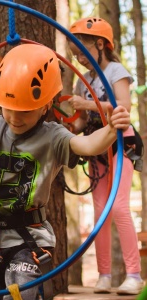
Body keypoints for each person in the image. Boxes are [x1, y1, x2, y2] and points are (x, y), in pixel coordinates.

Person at [0, 43, 130, 300]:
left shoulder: (53, 136)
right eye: (8, 107)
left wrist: (110, 129)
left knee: (19, 295)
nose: (15, 117)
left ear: (46, 105)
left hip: (30, 240)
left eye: (25, 110)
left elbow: (88, 145)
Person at [67, 17, 144, 295]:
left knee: (120, 206)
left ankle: (134, 274)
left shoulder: (116, 70)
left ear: (99, 44)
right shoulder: (83, 81)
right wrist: (67, 124)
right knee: (100, 211)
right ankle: (104, 275)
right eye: (75, 55)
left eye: (83, 52)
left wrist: (86, 102)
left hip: (120, 143)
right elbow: (80, 123)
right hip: (98, 147)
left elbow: (123, 106)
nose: (80, 59)